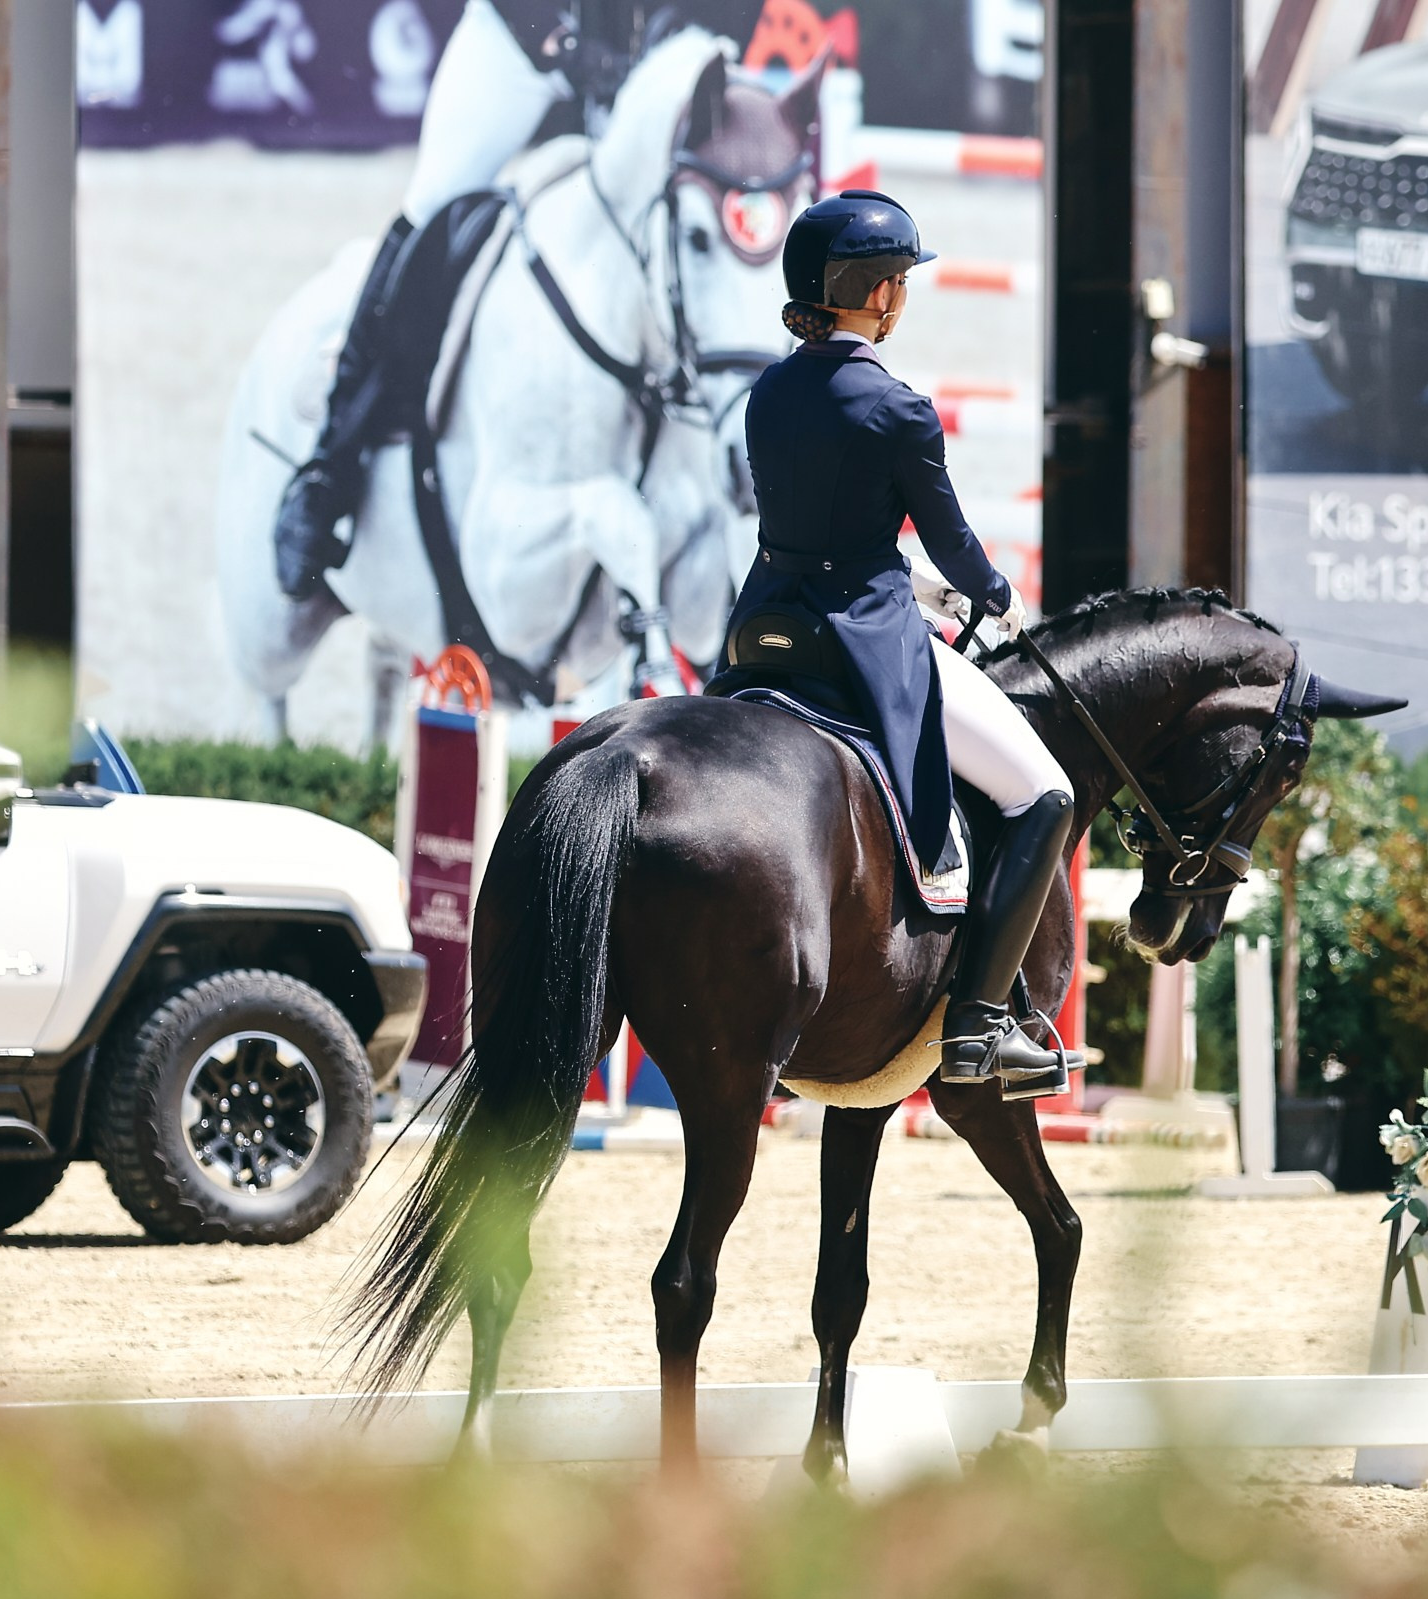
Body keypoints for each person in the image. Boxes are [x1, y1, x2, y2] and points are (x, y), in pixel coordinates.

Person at [721, 189, 1077, 1097]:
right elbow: (952, 541)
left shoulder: (766, 393)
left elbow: (815, 529)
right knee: (1044, 795)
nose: (901, 297)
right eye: (898, 283)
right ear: (878, 295)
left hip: (769, 625)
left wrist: (912, 576)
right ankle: (978, 1031)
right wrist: (992, 592)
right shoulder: (897, 408)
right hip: (865, 638)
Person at [272, 0, 760, 600]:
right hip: (527, 39)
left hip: (649, 58)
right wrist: (565, 46)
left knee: (697, 225)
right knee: (434, 206)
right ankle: (332, 467)